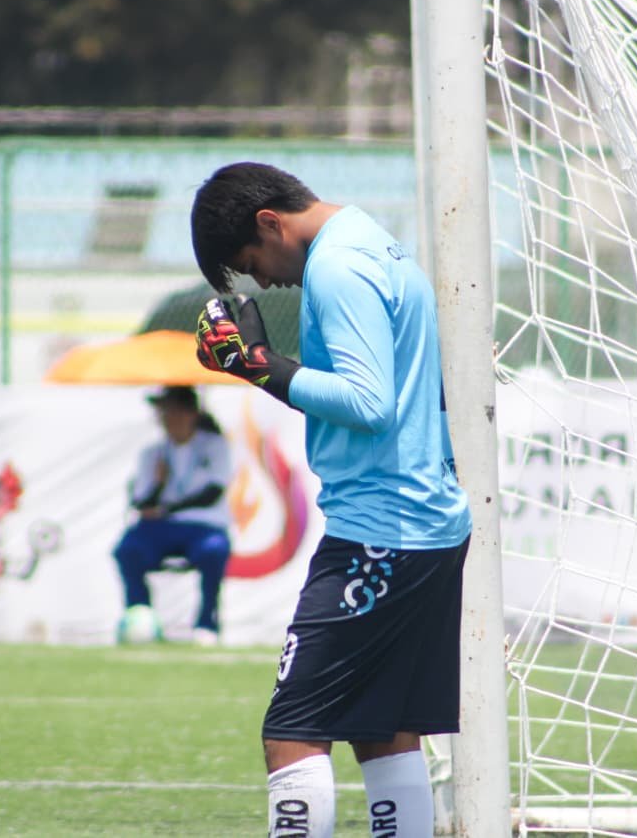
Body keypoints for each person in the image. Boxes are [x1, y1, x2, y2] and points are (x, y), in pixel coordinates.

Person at [191, 162, 471, 837]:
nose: (262, 281)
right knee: (386, 732)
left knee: (293, 731)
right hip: (426, 526)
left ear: (270, 222)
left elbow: (368, 403)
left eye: (252, 261)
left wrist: (259, 366)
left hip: (381, 531)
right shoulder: (373, 240)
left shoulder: (336, 266)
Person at [111, 385, 232, 645]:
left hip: (203, 526)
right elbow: (142, 502)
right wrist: (158, 483)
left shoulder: (215, 446)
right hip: (161, 528)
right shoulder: (153, 453)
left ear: (190, 414)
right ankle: (140, 617)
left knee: (214, 550)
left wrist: (168, 508)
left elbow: (213, 493)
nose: (166, 418)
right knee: (128, 550)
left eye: (172, 410)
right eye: (163, 412)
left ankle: (206, 623)